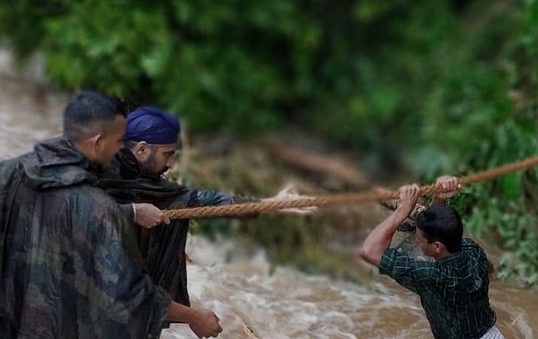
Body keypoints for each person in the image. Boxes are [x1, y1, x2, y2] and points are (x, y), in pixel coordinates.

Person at [0, 90, 222, 338]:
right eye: (119, 142)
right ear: (97, 142)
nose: (121, 150)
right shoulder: (100, 209)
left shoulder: (8, 172)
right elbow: (132, 296)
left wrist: (129, 211)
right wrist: (196, 316)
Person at [99, 105, 313, 313]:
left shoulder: (149, 186)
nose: (171, 164)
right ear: (142, 149)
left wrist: (270, 204)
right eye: (167, 154)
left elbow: (201, 200)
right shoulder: (92, 172)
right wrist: (134, 212)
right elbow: (77, 212)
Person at [359, 176, 505, 339]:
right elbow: (444, 229)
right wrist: (439, 199)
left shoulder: (432, 277)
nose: (416, 239)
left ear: (436, 246)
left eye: (419, 238)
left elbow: (369, 251)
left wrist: (402, 211)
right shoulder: (474, 251)